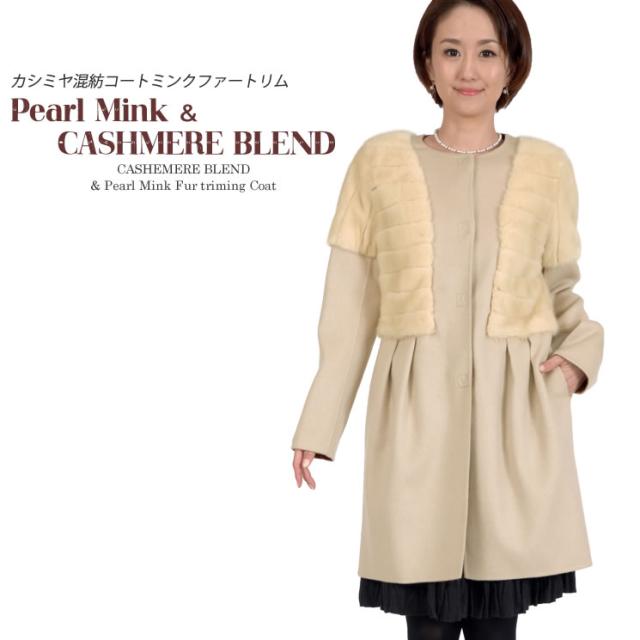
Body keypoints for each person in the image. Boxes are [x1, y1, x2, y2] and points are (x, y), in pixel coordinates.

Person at [291, 1, 605, 639]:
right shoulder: (379, 162)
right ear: (427, 63)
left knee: (499, 618)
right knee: (425, 615)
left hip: (516, 416)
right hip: (416, 413)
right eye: (451, 50)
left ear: (511, 66)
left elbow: (560, 287)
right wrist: (318, 423)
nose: (469, 69)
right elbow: (350, 306)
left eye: (488, 52)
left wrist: (577, 361)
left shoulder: (547, 167)